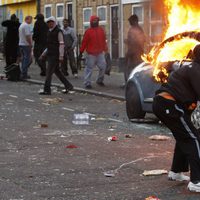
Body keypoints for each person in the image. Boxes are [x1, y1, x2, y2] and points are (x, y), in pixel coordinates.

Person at [152, 44, 200, 193]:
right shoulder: (195, 69)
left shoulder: (192, 68)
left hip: (164, 104)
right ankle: (196, 181)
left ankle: (176, 172)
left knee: (184, 135)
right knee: (193, 139)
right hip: (168, 103)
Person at [39, 16, 73, 95]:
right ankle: (68, 85)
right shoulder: (49, 31)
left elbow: (61, 44)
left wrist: (61, 56)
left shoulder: (58, 31)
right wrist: (44, 54)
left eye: (51, 23)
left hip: (55, 54)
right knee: (57, 71)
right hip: (50, 53)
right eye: (48, 23)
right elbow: (49, 45)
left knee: (49, 72)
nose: (50, 24)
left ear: (54, 23)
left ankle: (47, 90)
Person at [79, 15, 107, 89]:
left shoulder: (101, 30)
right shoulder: (88, 32)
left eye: (96, 20)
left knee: (103, 67)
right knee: (89, 68)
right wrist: (81, 51)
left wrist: (106, 50)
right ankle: (87, 83)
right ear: (91, 22)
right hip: (91, 54)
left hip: (100, 53)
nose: (95, 22)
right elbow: (84, 42)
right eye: (94, 20)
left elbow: (104, 41)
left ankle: (99, 80)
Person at [124, 14, 145, 82]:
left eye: (130, 21)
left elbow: (134, 42)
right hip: (139, 53)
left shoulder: (134, 30)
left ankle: (129, 83)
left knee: (129, 69)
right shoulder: (139, 29)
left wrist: (127, 42)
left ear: (134, 21)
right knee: (137, 69)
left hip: (133, 53)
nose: (129, 22)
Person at [19, 15, 33, 80]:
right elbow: (27, 36)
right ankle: (24, 74)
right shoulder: (26, 26)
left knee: (24, 59)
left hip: (21, 44)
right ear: (27, 19)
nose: (31, 21)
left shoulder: (21, 25)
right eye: (31, 19)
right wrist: (30, 44)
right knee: (26, 60)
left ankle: (23, 73)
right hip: (26, 45)